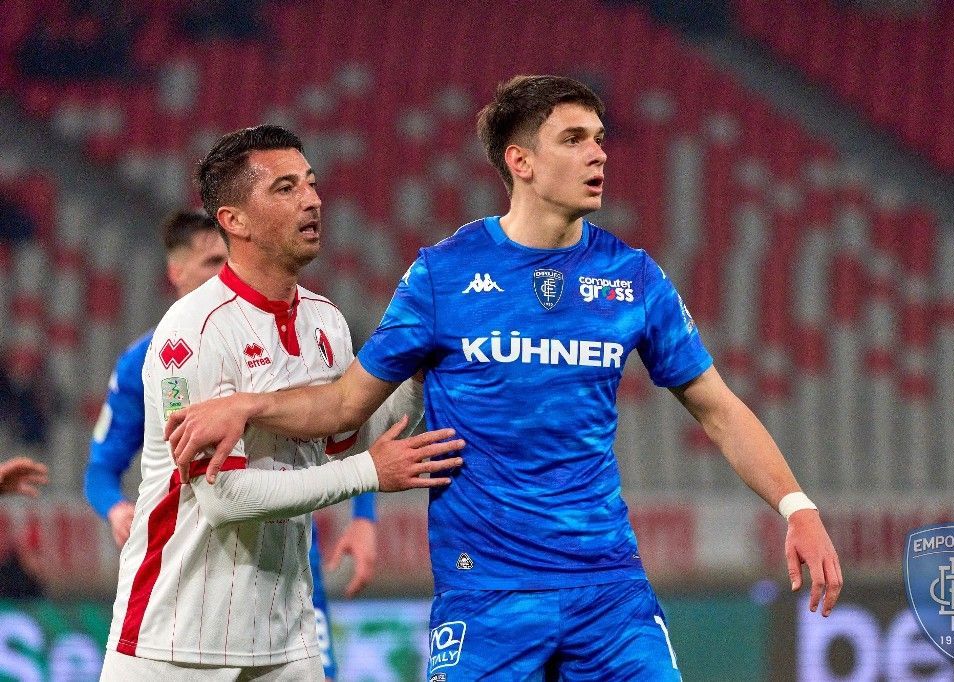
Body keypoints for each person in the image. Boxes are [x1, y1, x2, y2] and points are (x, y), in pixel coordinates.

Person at [165, 77, 842, 680]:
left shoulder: (633, 277)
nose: (598, 155)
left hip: (608, 589)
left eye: (599, 139)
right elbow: (344, 405)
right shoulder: (443, 274)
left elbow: (719, 410)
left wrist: (797, 507)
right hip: (485, 594)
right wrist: (247, 407)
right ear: (521, 162)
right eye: (573, 140)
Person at [100, 125, 464, 681]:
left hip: (285, 636)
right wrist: (369, 474)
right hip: (174, 640)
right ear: (235, 221)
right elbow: (225, 498)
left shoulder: (326, 322)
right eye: (286, 188)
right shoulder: (192, 331)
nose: (312, 200)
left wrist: (413, 375)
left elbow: (349, 438)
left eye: (311, 184)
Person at [83, 208, 374, 679]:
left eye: (228, 258)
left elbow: (345, 424)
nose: (225, 271)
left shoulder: (311, 327)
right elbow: (101, 470)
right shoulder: (158, 355)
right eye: (211, 262)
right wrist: (116, 509)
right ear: (176, 271)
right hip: (186, 610)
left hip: (291, 585)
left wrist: (364, 517)